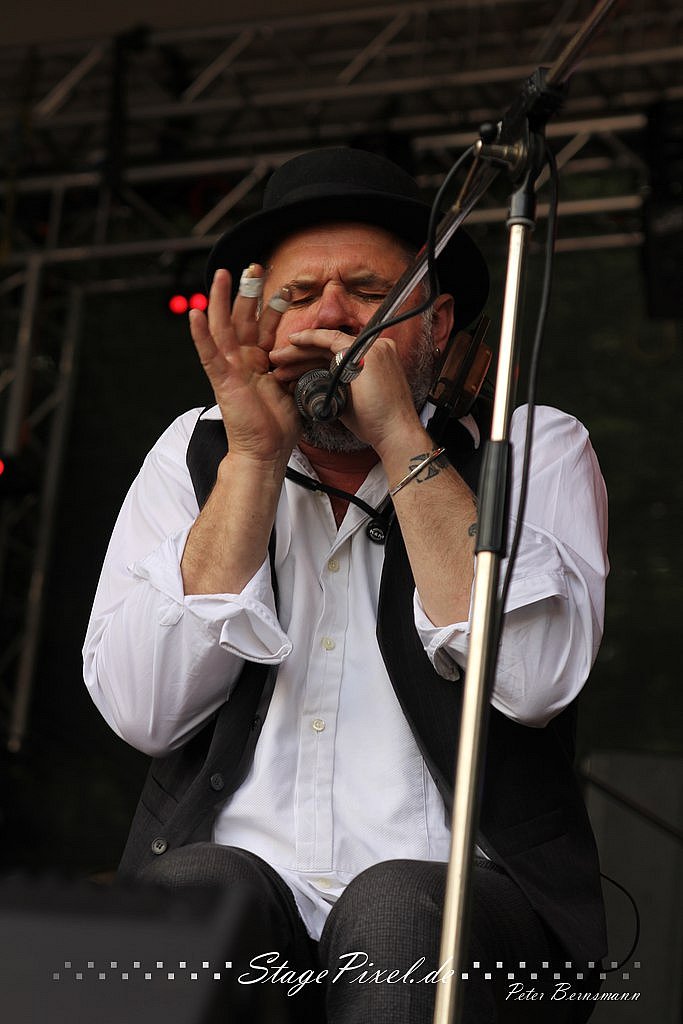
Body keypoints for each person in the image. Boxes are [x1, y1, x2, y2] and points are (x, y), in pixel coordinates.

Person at [83, 147, 609, 1023]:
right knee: (194, 893)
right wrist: (254, 461)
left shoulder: (528, 445)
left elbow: (534, 681)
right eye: (298, 296)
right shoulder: (194, 453)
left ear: (437, 321)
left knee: (395, 911)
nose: (330, 315)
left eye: (366, 292)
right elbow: (144, 712)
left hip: (467, 907)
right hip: (240, 898)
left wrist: (402, 438)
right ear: (259, 328)